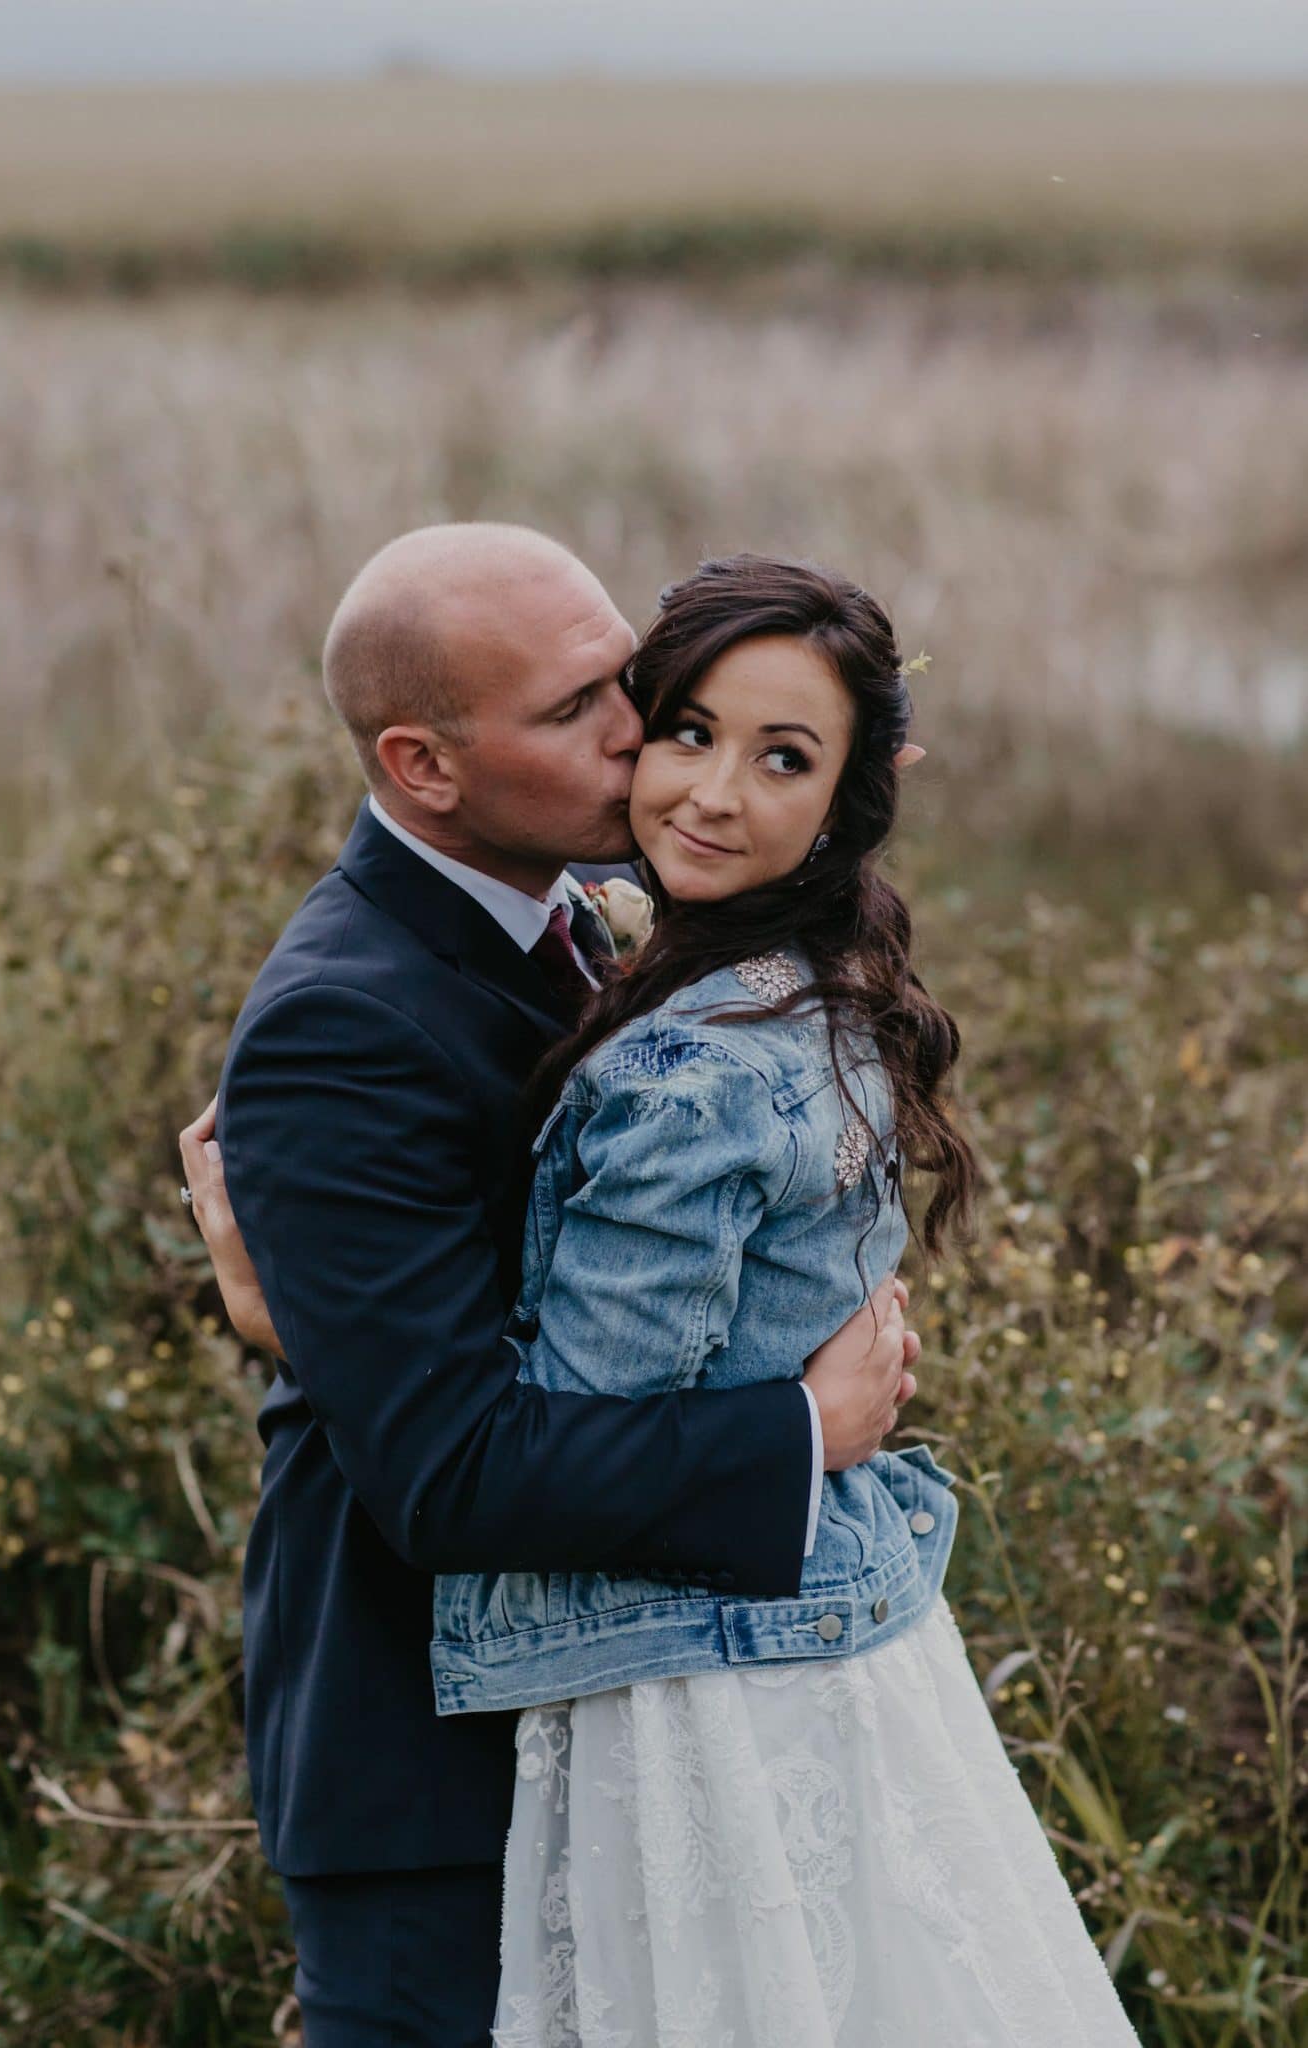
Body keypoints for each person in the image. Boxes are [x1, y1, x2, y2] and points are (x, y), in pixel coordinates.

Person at [178, 524, 919, 2047]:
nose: (639, 733)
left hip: (614, 1716)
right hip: (431, 1782)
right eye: (577, 707)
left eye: (626, 680)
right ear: (423, 765)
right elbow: (447, 1472)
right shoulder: (342, 1023)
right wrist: (799, 1432)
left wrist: (295, 1324)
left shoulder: (579, 918)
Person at [426, 554, 1143, 2045]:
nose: (712, 794)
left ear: (844, 800)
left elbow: (583, 1427)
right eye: (688, 732)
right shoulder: (813, 982)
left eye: (782, 759)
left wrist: (286, 1318)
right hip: (828, 1636)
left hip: (700, 1694)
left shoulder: (688, 1071)